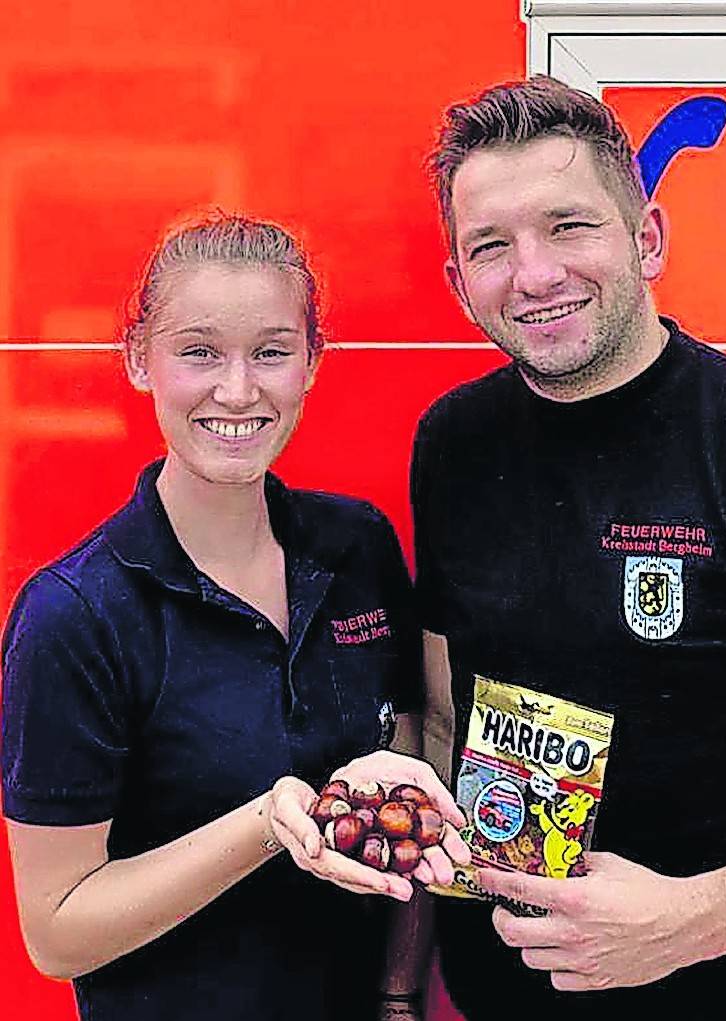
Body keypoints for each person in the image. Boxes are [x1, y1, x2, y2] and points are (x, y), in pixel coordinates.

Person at [413, 76, 726, 1020]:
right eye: (491, 246)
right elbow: (446, 720)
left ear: (648, 238)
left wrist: (692, 918)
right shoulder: (452, 444)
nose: (536, 273)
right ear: (457, 280)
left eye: (568, 226)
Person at [1, 214, 467, 1021]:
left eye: (273, 351)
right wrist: (267, 822)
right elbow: (56, 931)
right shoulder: (75, 614)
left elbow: (405, 752)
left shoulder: (357, 545)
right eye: (199, 351)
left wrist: (397, 994)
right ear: (138, 360)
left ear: (312, 364)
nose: (239, 389)